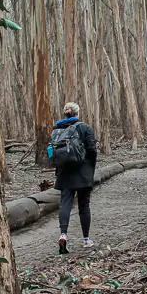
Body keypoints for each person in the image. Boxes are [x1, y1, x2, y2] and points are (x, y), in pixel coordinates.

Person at [50, 101, 97, 254]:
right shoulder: (85, 128)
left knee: (65, 204)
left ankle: (63, 235)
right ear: (77, 113)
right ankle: (86, 239)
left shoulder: (56, 129)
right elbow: (92, 150)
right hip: (83, 173)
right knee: (84, 205)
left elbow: (53, 152)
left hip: (64, 173)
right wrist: (90, 167)